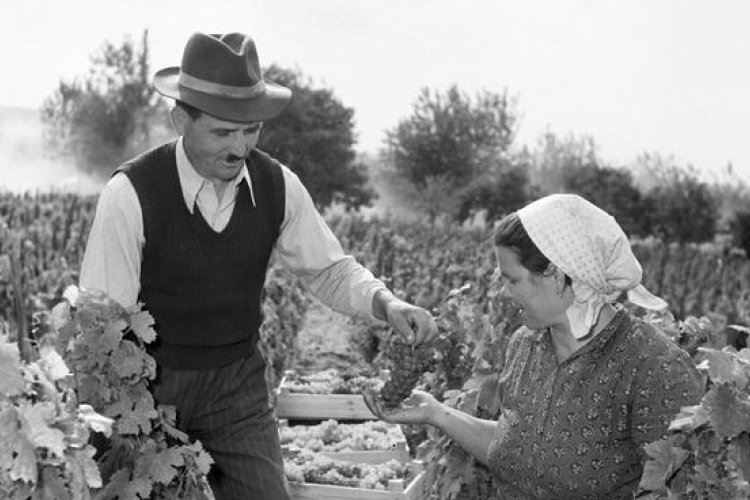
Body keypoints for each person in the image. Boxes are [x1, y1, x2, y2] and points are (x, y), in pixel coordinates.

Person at [79, 31, 437, 500]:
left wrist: (385, 303)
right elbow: (102, 324)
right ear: (179, 118)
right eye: (223, 132)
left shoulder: (276, 185)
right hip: (149, 390)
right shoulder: (130, 194)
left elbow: (327, 269)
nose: (240, 148)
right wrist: (120, 414)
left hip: (236, 383)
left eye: (251, 130)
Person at [365, 194, 703, 500]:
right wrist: (435, 413)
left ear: (557, 275)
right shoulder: (525, 346)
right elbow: (517, 447)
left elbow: (675, 489)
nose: (504, 294)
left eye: (512, 280)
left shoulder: (651, 366)